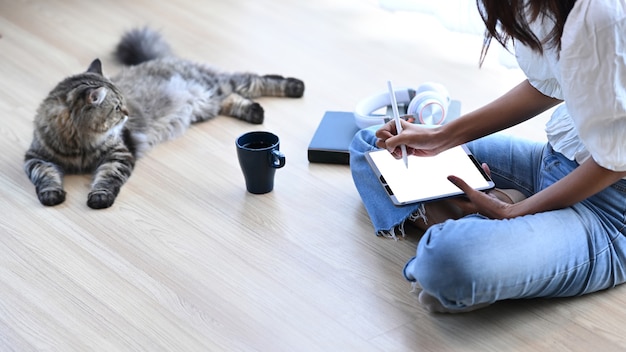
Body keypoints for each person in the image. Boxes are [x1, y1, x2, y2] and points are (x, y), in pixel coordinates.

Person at [349, 0, 626, 313]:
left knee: (447, 263)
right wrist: (440, 137)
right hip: (552, 161)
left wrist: (516, 211)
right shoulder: (552, 7)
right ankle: (472, 222)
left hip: (609, 212)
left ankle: (476, 226)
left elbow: (615, 159)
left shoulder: (602, 14)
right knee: (373, 146)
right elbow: (550, 84)